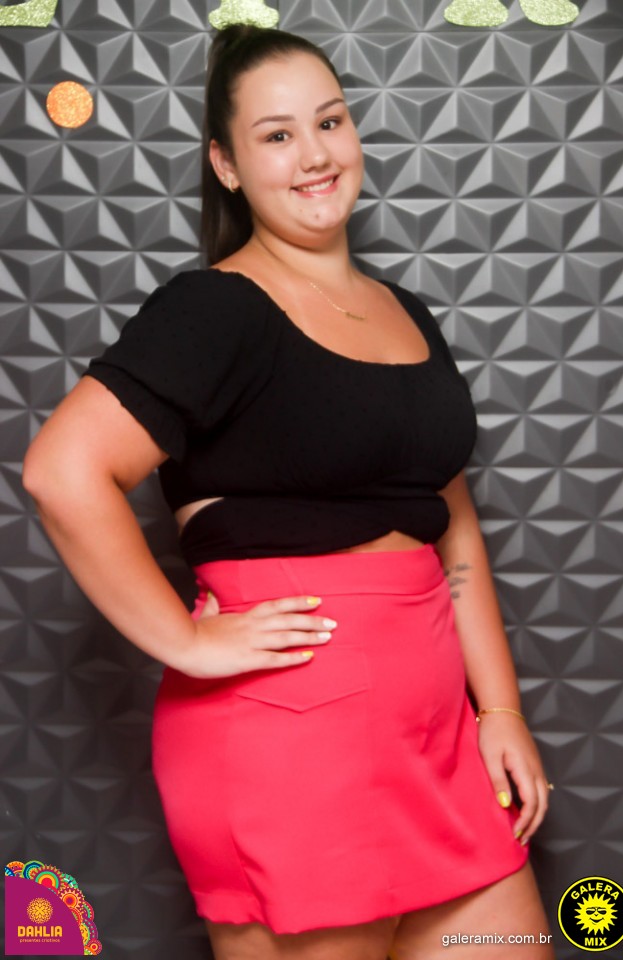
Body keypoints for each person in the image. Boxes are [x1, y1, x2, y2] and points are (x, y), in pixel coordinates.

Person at [22, 23, 556, 960]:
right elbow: (62, 471)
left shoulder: (407, 312)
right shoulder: (214, 308)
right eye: (277, 135)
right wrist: (186, 639)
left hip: (437, 731)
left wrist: (499, 710)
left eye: (330, 122)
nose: (315, 155)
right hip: (288, 738)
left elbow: (453, 529)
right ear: (226, 165)